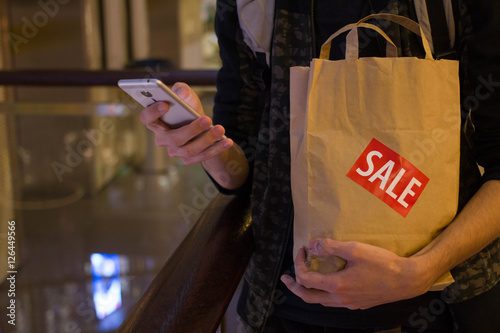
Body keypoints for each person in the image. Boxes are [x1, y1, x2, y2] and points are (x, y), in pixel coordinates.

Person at [139, 1, 500, 332]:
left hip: (444, 301)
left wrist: (423, 271)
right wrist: (205, 143)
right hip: (286, 301)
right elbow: (242, 170)